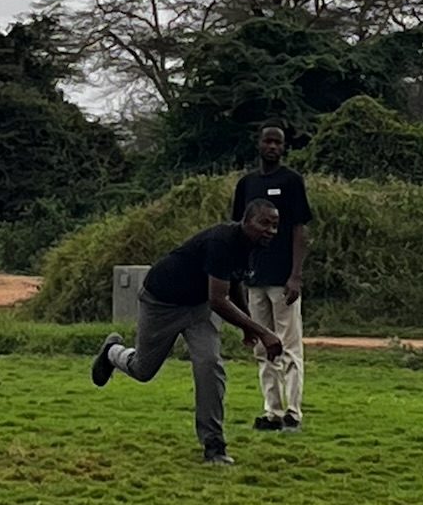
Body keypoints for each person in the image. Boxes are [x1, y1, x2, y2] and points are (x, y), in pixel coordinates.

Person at [90, 199, 285, 465]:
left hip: (197, 307)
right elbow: (219, 299)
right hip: (162, 302)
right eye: (264, 223)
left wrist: (246, 324)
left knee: (209, 365)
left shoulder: (252, 246)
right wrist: (263, 332)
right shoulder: (222, 241)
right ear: (246, 221)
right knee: (143, 370)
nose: (270, 231)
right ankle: (113, 351)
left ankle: (214, 445)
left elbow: (234, 281)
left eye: (275, 226)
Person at [232, 122, 312, 432]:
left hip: (283, 278)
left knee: (289, 345)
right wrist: (236, 272)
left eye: (278, 142)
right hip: (253, 277)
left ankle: (293, 411)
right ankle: (272, 411)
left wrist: (296, 275)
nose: (273, 147)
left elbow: (299, 229)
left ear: (283, 147)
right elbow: (237, 230)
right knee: (262, 346)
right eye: (268, 141)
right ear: (259, 144)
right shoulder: (246, 184)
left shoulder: (292, 182)